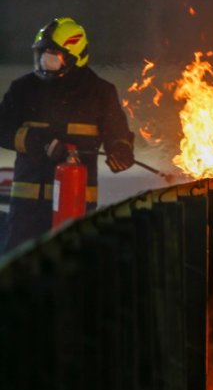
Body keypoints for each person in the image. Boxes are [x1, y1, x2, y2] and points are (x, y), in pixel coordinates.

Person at [0, 17, 135, 253]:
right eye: (41, 55)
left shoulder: (100, 92)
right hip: (26, 212)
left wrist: (121, 149)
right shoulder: (23, 89)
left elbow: (117, 131)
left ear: (74, 56)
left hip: (75, 207)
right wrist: (36, 142)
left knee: (70, 272)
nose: (44, 62)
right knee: (20, 274)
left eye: (53, 56)